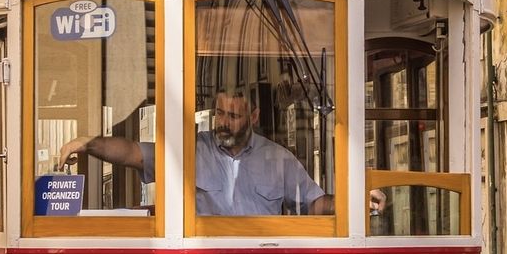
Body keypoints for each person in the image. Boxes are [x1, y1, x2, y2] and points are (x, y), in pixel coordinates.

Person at [61, 89, 335, 216]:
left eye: (233, 116)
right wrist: (87, 143)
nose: (223, 122)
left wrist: (352, 202)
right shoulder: (192, 150)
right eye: (219, 113)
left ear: (253, 116)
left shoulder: (278, 159)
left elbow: (314, 203)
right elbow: (134, 153)